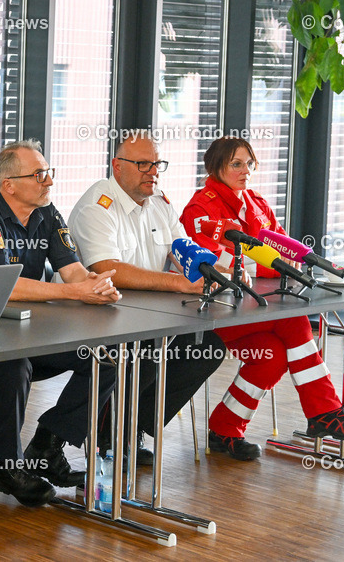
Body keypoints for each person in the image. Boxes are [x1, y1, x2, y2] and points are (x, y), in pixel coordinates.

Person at [0, 140, 121, 507]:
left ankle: (47, 444)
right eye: (39, 175)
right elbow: (2, 287)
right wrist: (76, 293)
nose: (48, 182)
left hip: (30, 329)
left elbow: (71, 270)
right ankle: (6, 467)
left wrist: (95, 285)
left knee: (103, 356)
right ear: (9, 184)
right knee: (13, 365)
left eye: (48, 173)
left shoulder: (47, 212)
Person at [180, 136, 344, 459]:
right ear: (215, 168)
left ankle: (225, 431)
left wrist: (282, 264)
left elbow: (284, 253)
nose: (246, 171)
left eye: (249, 164)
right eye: (236, 164)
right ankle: (324, 412)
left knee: (270, 355)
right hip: (213, 314)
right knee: (295, 322)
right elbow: (223, 265)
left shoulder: (256, 203)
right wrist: (265, 265)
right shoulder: (201, 208)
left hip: (256, 312)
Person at [68, 132, 227, 459]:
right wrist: (178, 285)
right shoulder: (97, 206)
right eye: (142, 164)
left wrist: (214, 270)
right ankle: (106, 434)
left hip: (151, 313)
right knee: (144, 350)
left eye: (156, 164)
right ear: (117, 166)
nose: (152, 171)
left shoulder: (160, 202)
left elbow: (181, 250)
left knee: (208, 346)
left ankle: (132, 425)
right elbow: (107, 268)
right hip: (98, 314)